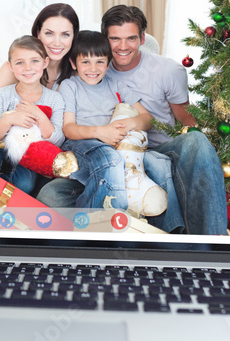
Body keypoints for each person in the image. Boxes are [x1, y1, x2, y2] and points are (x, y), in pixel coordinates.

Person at [38, 5, 226, 236]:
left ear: (142, 38)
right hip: (104, 156)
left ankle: (210, 244)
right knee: (50, 195)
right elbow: (64, 121)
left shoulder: (165, 70)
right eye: (115, 39)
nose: (123, 46)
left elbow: (183, 121)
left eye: (131, 38)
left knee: (194, 143)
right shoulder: (83, 76)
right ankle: (110, 230)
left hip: (155, 150)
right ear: (105, 41)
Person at [0, 3, 78, 190]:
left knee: (30, 184)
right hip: (6, 146)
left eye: (65, 34)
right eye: (49, 33)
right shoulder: (13, 72)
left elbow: (61, 135)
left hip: (42, 156)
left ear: (73, 37)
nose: (57, 42)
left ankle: (1, 185)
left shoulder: (78, 74)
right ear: (38, 34)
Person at [59, 31, 173, 213]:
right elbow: (69, 129)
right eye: (85, 62)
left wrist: (128, 124)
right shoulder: (70, 86)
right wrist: (100, 132)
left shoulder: (115, 85)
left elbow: (148, 119)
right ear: (74, 63)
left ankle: (170, 231)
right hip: (82, 144)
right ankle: (109, 220)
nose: (93, 68)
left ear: (108, 62)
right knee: (111, 159)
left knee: (157, 165)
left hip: (113, 144)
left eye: (100, 62)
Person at [0, 36, 66, 194]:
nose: (28, 68)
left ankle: (0, 197)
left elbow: (58, 139)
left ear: (45, 63)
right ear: (11, 66)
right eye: (20, 62)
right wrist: (8, 120)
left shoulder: (54, 98)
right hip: (1, 147)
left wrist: (40, 116)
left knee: (25, 184)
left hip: (29, 154)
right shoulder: (3, 94)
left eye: (34, 61)